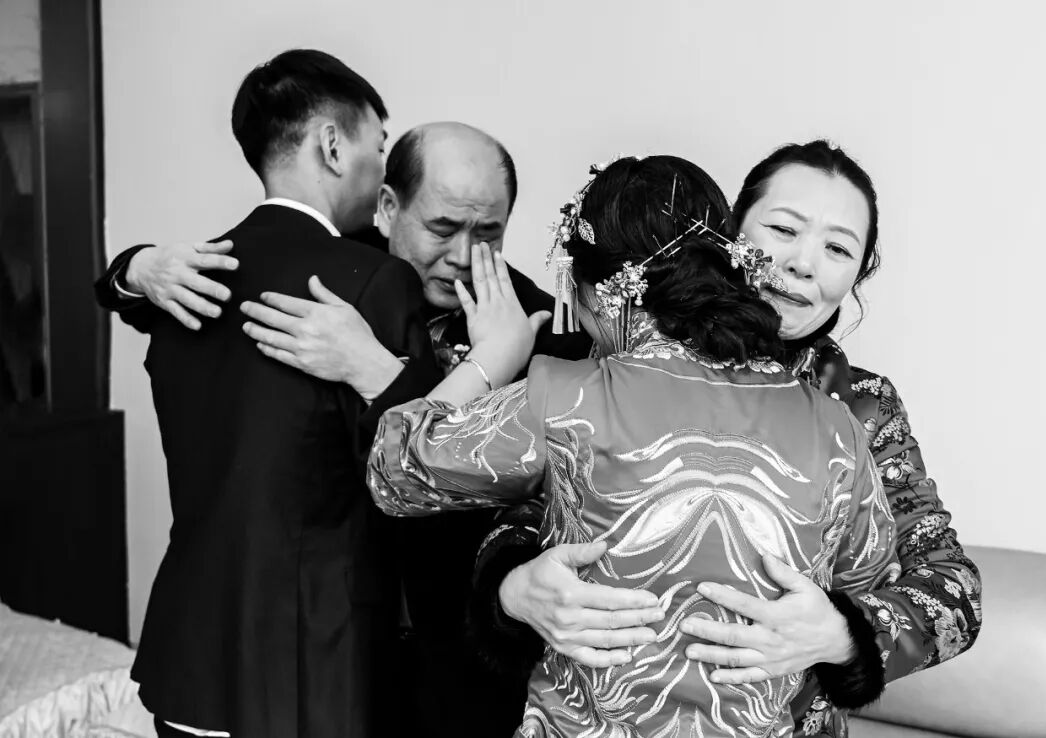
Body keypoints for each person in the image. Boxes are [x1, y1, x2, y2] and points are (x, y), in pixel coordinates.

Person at [366, 154, 899, 737]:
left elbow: (394, 468)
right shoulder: (838, 426)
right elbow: (868, 573)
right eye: (785, 229)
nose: (801, 263)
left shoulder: (566, 395)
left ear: (597, 292)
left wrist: (493, 357)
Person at [94, 121, 597, 736]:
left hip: (460, 645)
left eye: (488, 232)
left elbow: (542, 494)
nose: (465, 256)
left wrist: (382, 372)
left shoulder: (531, 322)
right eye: (442, 229)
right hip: (336, 640)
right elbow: (196, 304)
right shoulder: (329, 272)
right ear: (388, 207)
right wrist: (137, 268)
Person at [476, 141, 983, 736]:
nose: (803, 264)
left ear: (857, 276)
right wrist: (512, 586)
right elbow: (526, 508)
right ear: (726, 236)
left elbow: (955, 586)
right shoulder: (617, 358)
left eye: (838, 248)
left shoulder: (859, 405)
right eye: (784, 230)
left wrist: (843, 634)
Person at [102, 49, 444, 738]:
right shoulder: (375, 282)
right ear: (332, 145)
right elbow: (422, 465)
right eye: (378, 147)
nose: (383, 174)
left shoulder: (183, 276)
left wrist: (130, 269)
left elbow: (123, 296)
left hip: (191, 656)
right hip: (314, 660)